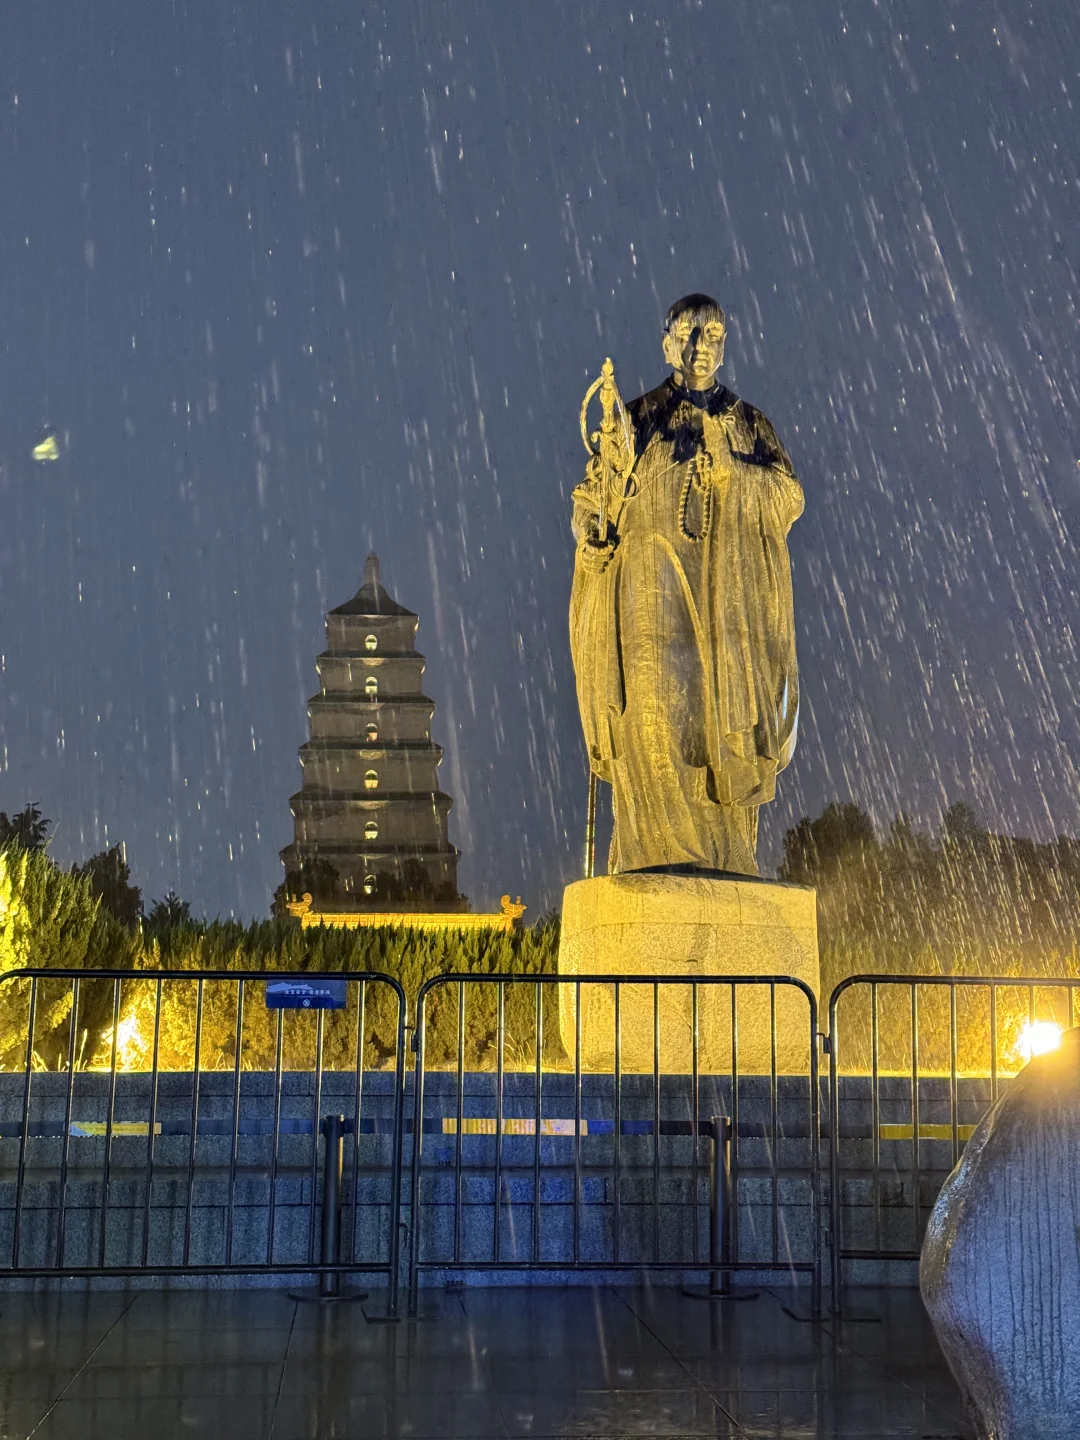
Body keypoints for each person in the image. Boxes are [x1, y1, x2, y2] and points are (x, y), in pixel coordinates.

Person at [569, 293, 802, 875]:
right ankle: (654, 857)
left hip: (725, 605)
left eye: (715, 334)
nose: (703, 346)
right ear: (669, 341)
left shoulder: (748, 424)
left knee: (719, 733)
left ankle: (725, 861)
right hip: (649, 590)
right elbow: (592, 496)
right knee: (651, 716)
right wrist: (594, 528)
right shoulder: (638, 417)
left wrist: (735, 474)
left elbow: (788, 497)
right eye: (691, 334)